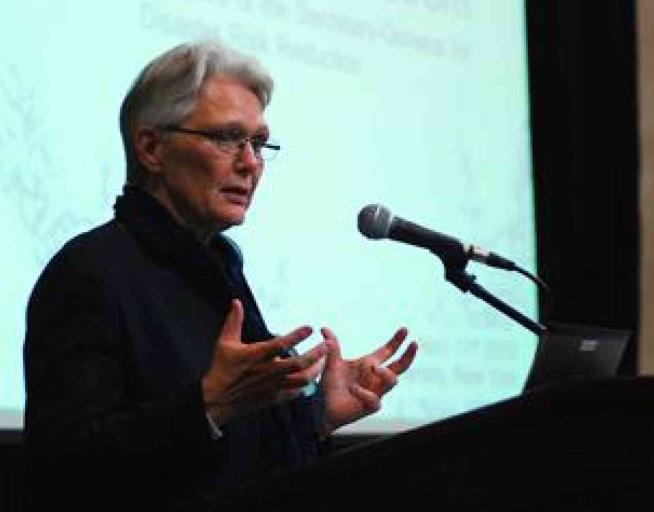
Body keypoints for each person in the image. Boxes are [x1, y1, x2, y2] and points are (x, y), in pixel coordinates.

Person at [22, 40, 418, 511]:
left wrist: (315, 416)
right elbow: (63, 471)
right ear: (151, 147)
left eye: (257, 142)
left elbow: (234, 454)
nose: (250, 163)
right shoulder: (89, 272)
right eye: (227, 138)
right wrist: (207, 406)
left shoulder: (219, 264)